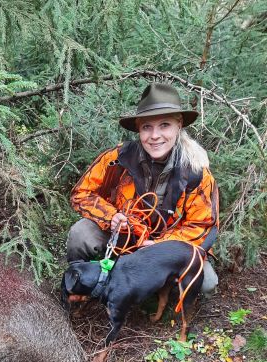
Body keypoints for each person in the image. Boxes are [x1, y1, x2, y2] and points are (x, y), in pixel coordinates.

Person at [67, 82, 219, 295]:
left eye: (164, 125)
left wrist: (159, 246)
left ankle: (155, 295)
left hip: (164, 248)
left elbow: (201, 226)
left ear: (179, 125)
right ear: (139, 129)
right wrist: (112, 217)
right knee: (80, 233)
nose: (155, 135)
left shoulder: (196, 172)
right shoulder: (117, 159)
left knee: (206, 281)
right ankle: (81, 286)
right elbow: (81, 194)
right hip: (123, 237)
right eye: (147, 127)